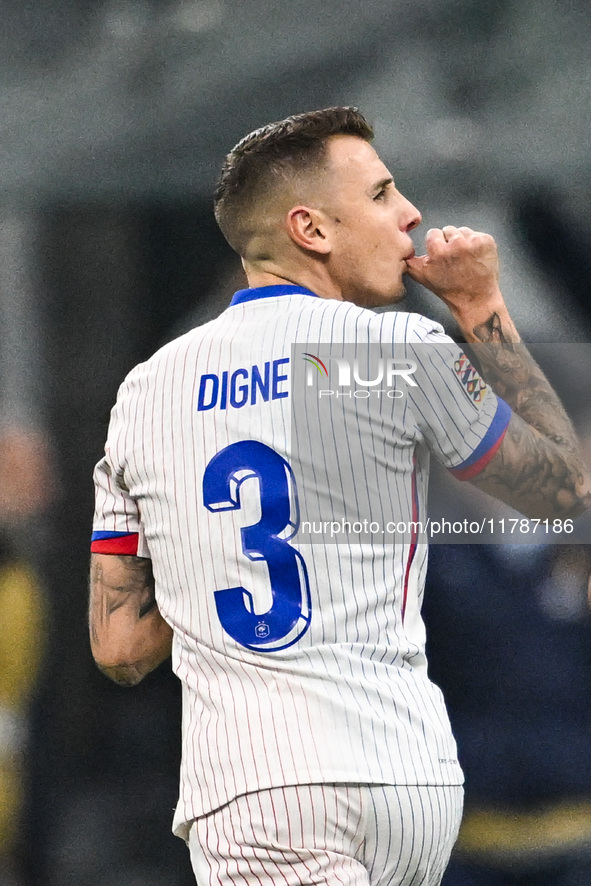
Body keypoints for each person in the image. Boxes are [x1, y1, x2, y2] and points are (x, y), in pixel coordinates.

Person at [88, 107, 590, 886]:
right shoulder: (399, 350)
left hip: (265, 787)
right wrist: (481, 309)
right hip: (409, 781)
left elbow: (121, 648)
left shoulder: (145, 394)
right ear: (310, 229)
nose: (410, 215)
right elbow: (556, 489)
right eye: (383, 195)